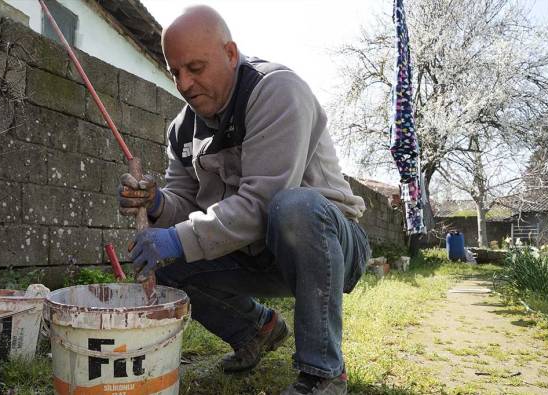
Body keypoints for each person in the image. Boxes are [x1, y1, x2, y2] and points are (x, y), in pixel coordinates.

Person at [118, 5, 369, 395]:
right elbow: (184, 203)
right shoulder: (181, 130)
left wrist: (177, 237)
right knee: (169, 267)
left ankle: (323, 374)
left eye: (196, 69)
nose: (183, 84)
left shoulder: (276, 91)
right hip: (255, 252)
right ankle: (257, 329)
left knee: (294, 206)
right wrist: (155, 205)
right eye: (176, 72)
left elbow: (264, 202)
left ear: (231, 54)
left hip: (327, 244)